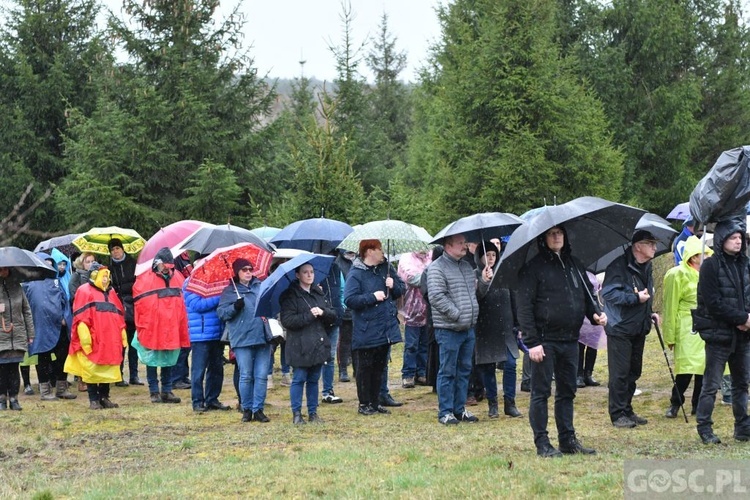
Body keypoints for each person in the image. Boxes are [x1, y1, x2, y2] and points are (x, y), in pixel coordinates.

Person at [517, 225, 606, 457]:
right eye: (551, 233)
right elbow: (524, 308)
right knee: (541, 392)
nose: (556, 237)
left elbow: (587, 297)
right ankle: (542, 443)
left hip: (570, 340)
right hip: (544, 341)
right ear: (543, 238)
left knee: (567, 391)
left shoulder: (575, 265)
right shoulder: (533, 268)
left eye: (560, 233)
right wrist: (532, 342)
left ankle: (567, 440)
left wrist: (596, 314)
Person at [692, 217, 750, 444]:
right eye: (733, 238)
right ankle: (704, 427)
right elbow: (712, 302)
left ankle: (743, 426)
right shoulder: (710, 266)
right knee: (712, 385)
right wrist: (742, 317)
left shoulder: (745, 264)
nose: (738, 242)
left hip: (743, 334)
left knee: (741, 383)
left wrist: (746, 319)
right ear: (721, 240)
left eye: (740, 238)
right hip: (718, 335)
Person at [602, 230, 659, 429]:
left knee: (634, 371)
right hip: (620, 327)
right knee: (620, 373)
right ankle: (617, 414)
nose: (655, 247)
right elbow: (608, 294)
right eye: (650, 243)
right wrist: (635, 298)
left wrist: (650, 311)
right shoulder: (618, 266)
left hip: (639, 325)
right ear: (638, 246)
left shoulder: (648, 266)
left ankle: (627, 409)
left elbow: (647, 293)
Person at [427, 233, 483, 425]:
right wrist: (457, 314)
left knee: (464, 370)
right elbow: (436, 296)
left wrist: (483, 281)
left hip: (468, 328)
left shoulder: (467, 267)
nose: (465, 246)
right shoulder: (436, 268)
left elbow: (475, 294)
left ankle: (459, 409)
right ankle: (445, 412)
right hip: (449, 328)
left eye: (465, 242)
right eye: (460, 243)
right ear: (448, 245)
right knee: (447, 371)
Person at [344, 239, 404, 416]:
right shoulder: (356, 274)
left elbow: (401, 290)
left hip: (384, 327)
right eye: (379, 249)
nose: (382, 253)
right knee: (365, 368)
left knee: (379, 366)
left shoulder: (386, 269)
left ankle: (376, 401)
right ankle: (364, 403)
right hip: (366, 328)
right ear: (369, 251)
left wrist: (393, 286)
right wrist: (371, 297)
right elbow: (349, 299)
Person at [64, 263, 127, 409]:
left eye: (107, 276)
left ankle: (104, 397)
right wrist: (85, 339)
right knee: (91, 369)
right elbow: (81, 318)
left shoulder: (111, 293)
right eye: (102, 276)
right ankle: (93, 399)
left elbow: (118, 315)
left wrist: (122, 333)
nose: (105, 279)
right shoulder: (84, 291)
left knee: (108, 367)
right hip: (93, 339)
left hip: (110, 340)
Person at [280, 263, 336, 424]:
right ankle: (297, 413)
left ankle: (313, 412)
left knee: (313, 379)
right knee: (299, 378)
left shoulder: (318, 292)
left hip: (318, 341)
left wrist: (323, 312)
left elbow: (332, 315)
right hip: (299, 345)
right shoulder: (290, 296)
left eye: (311, 272)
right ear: (297, 275)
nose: (310, 275)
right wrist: (309, 315)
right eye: (305, 272)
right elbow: (288, 321)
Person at [132, 247, 190, 404]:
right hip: (153, 326)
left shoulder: (177, 277)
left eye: (170, 266)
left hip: (171, 327)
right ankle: (154, 391)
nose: (167, 269)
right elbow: (141, 303)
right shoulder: (144, 279)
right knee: (152, 359)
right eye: (164, 266)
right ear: (157, 263)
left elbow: (182, 301)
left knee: (168, 359)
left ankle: (166, 390)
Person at [662, 236, 712, 418]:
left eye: (706, 252)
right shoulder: (677, 274)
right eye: (702, 253)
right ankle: (676, 401)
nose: (706, 256)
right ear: (693, 256)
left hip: (706, 325)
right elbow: (670, 306)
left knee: (703, 367)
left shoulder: (709, 273)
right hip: (686, 326)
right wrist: (670, 335)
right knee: (685, 368)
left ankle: (697, 405)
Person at [217, 258, 272, 423]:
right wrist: (235, 307)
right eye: (244, 270)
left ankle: (258, 409)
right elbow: (222, 313)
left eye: (250, 269)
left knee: (261, 375)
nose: (248, 272)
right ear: (237, 272)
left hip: (262, 337)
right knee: (246, 375)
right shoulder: (229, 291)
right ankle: (247, 408)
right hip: (241, 338)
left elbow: (270, 306)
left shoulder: (260, 287)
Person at [474, 241, 520, 418]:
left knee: (510, 364)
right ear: (480, 257)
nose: (491, 258)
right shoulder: (475, 275)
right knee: (488, 368)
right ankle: (493, 404)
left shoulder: (504, 273)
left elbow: (513, 299)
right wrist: (484, 281)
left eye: (494, 255)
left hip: (506, 328)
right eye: (487, 255)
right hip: (486, 328)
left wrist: (519, 324)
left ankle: (510, 403)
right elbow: (476, 298)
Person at [23, 253, 75, 400]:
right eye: (44, 263)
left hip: (59, 326)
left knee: (62, 357)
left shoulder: (56, 282)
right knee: (43, 359)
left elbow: (64, 303)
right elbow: (26, 307)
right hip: (41, 328)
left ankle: (61, 388)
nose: (48, 266)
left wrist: (65, 318)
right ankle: (45, 391)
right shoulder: (28, 284)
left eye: (50, 263)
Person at [183, 278, 229, 413]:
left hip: (217, 332)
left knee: (216, 369)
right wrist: (220, 296)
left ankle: (212, 399)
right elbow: (197, 305)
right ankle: (197, 401)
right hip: (200, 335)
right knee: (198, 371)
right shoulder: (190, 283)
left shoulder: (218, 282)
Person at [108, 238, 142, 387]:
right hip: (118, 308)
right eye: (112, 249)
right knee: (119, 344)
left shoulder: (133, 263)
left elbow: (138, 282)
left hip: (133, 307)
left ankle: (134, 375)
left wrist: (126, 288)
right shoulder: (109, 268)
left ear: (122, 249)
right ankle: (118, 375)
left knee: (133, 343)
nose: (115, 251)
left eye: (117, 248)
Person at [0, 267, 35, 411]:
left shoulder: (17, 287)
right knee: (1, 370)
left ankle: (14, 398)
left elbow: (26, 310)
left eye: (5, 268)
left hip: (17, 334)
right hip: (1, 336)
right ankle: (2, 398)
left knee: (14, 368)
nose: (3, 271)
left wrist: (30, 333)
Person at [397, 250, 432, 388]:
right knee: (411, 344)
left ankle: (421, 372)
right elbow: (411, 278)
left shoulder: (431, 258)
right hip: (411, 310)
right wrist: (429, 277)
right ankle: (408, 374)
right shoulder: (406, 258)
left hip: (427, 308)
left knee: (424, 343)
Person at [319, 253, 344, 404]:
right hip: (317, 319)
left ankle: (328, 391)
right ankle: (313, 389)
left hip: (334, 316)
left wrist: (340, 308)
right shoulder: (311, 269)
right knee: (316, 356)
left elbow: (341, 290)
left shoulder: (336, 269)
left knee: (330, 356)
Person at [577, 272, 606, 388]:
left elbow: (596, 294)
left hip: (594, 312)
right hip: (582, 314)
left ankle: (588, 374)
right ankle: (578, 375)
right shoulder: (576, 271)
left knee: (593, 345)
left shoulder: (593, 275)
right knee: (580, 346)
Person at [335, 250, 356, 382]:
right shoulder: (338, 263)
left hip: (359, 306)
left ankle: (357, 368)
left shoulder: (359, 262)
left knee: (358, 340)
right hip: (345, 308)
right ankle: (343, 369)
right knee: (345, 340)